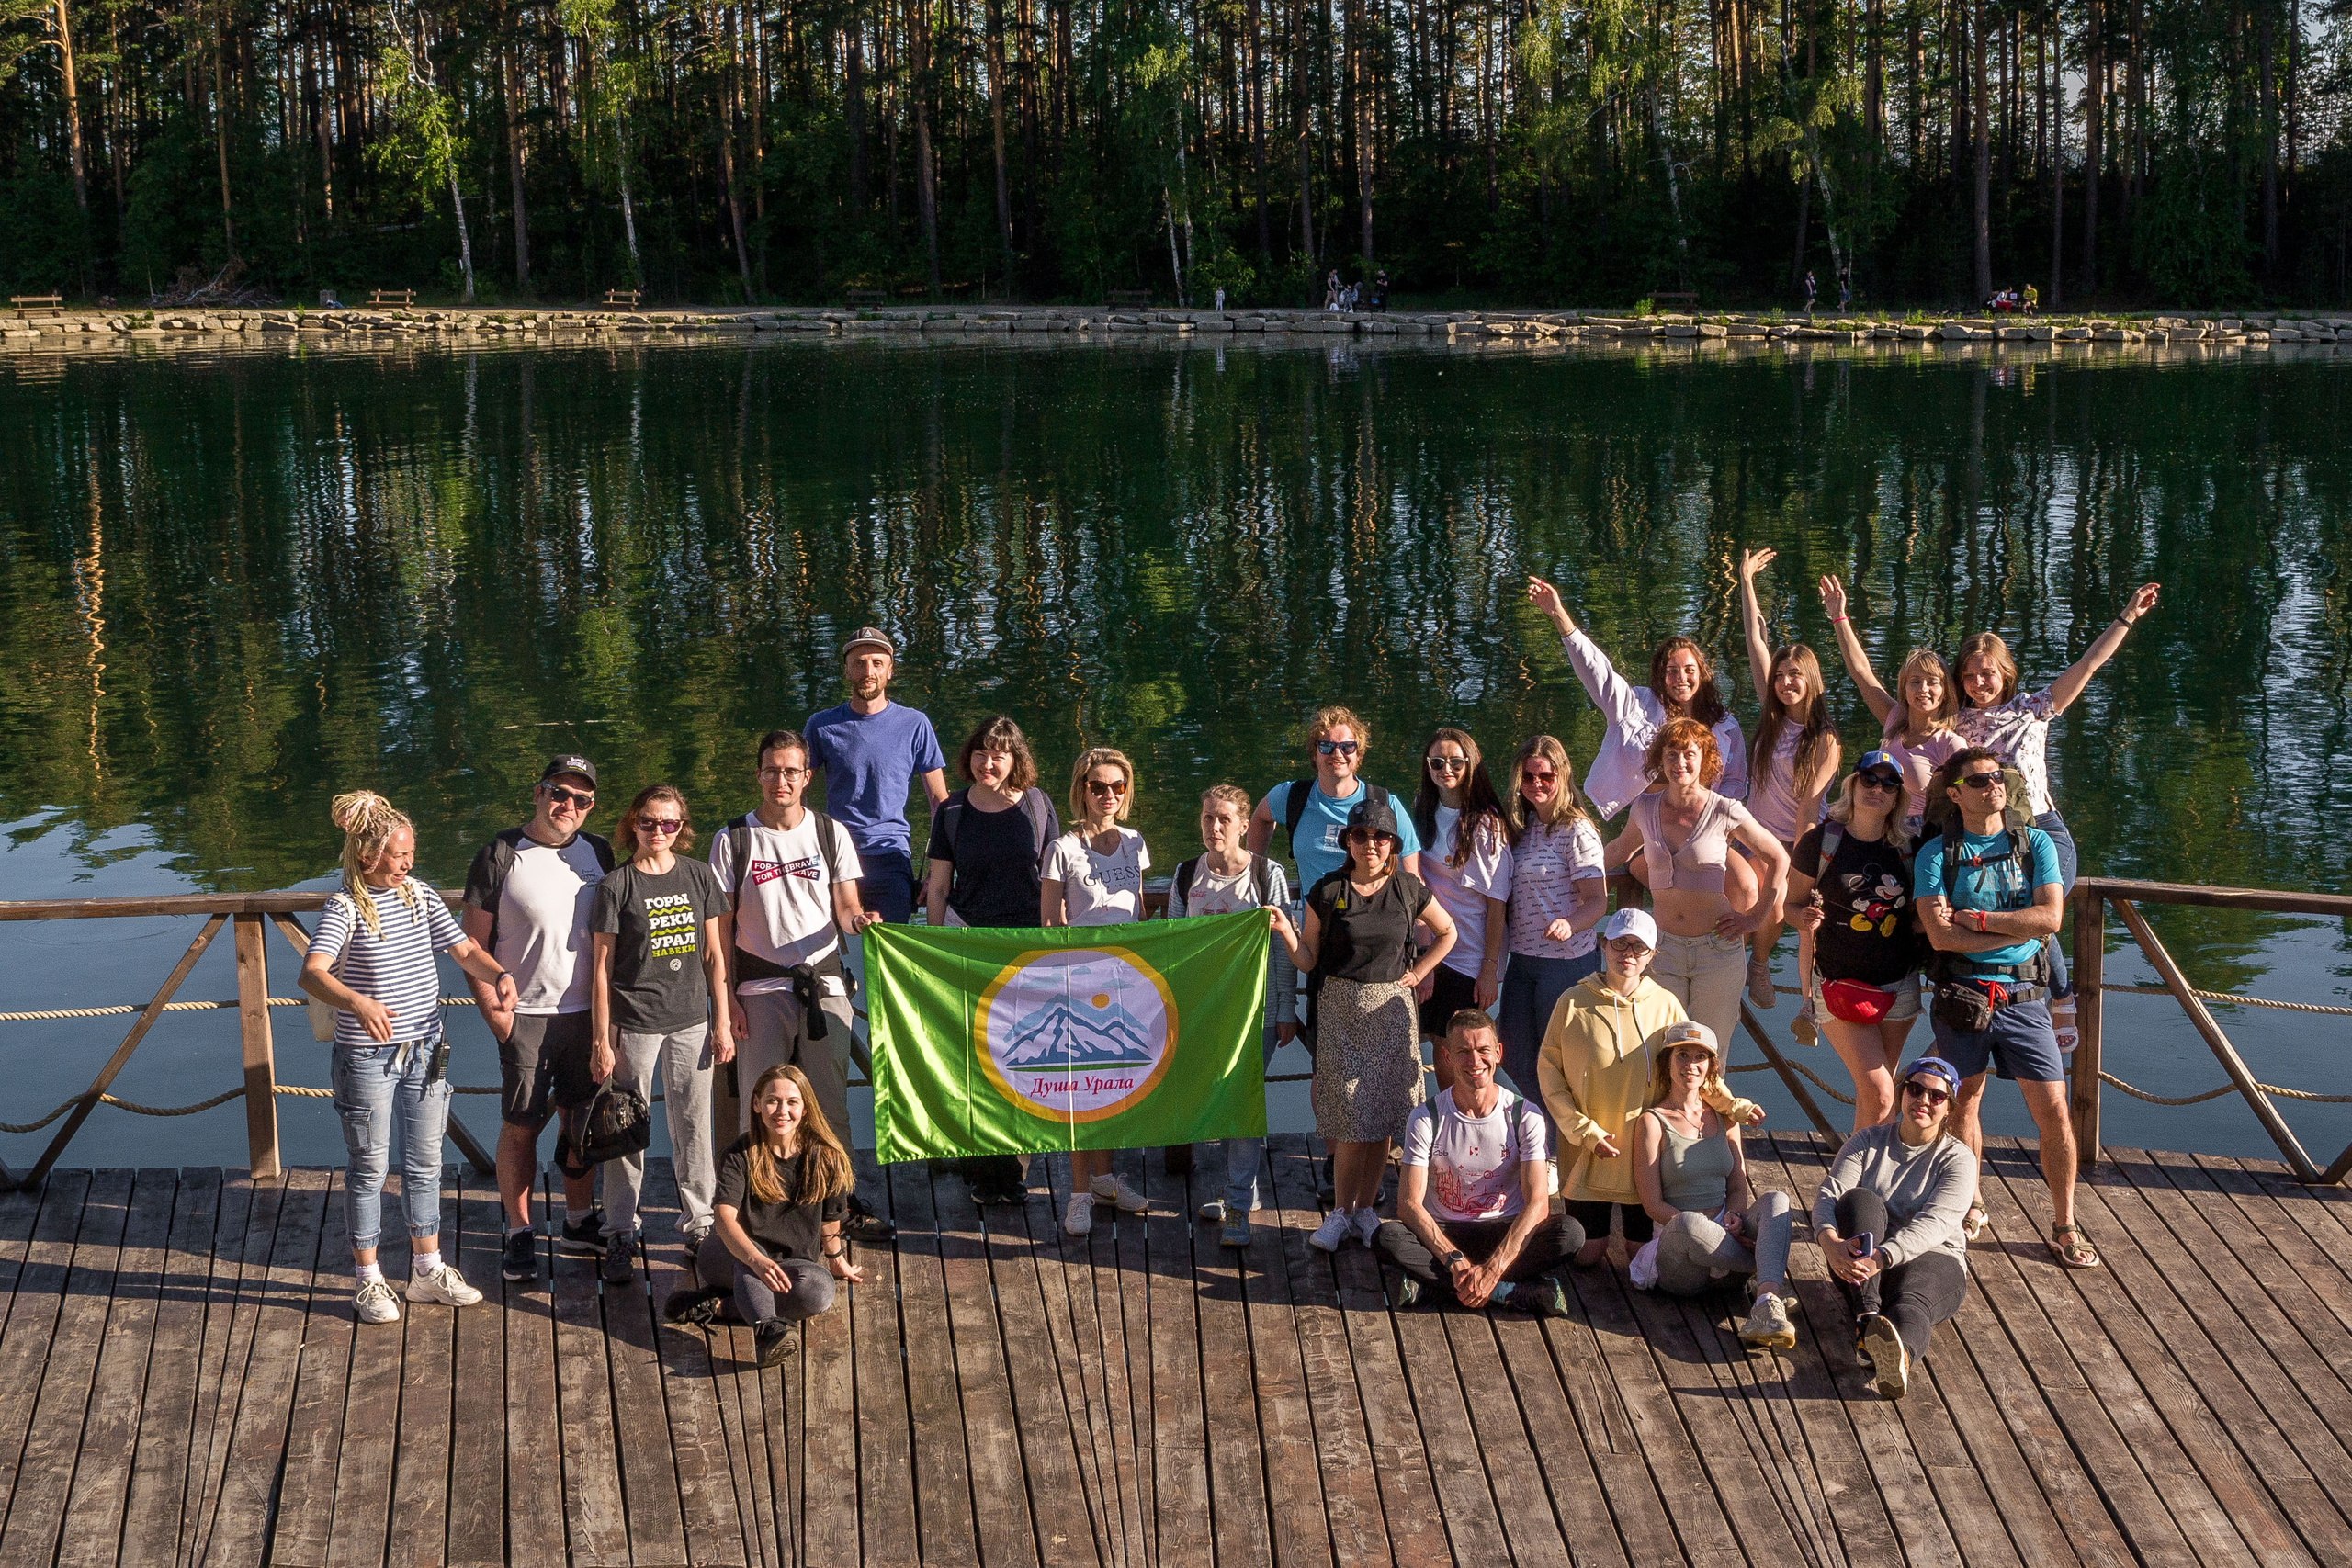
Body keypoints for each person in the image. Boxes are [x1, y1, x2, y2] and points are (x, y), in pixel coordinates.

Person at [304, 792, 508, 1323]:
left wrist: (500, 975)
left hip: (425, 1051)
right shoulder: (344, 906)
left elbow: (462, 949)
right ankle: (369, 1280)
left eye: (410, 853)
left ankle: (426, 1271)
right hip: (368, 1058)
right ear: (368, 854)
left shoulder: (419, 896)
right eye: (398, 855)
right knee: (369, 1169)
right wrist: (357, 1001)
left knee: (425, 1164)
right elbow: (312, 973)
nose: (408, 863)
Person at [1948, 583, 2161, 1051]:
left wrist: (2127, 614)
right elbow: (1886, 702)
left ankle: (2060, 997)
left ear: (2005, 674)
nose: (1979, 683)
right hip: (1991, 839)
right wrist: (1841, 625)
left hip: (2043, 829)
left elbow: (2088, 665)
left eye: (1987, 673)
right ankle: (2049, 995)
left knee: (2046, 913)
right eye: (1969, 676)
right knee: (2017, 917)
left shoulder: (2033, 708)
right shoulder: (1954, 724)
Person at [710, 729, 894, 1244]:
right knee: (760, 1102)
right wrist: (724, 1004)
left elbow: (846, 908)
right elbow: (719, 932)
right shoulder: (733, 839)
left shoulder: (831, 834)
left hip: (823, 983)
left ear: (807, 777)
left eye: (791, 771)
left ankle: (838, 1204)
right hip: (758, 989)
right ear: (759, 776)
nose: (781, 781)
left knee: (828, 1104)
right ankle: (758, 1207)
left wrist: (863, 922)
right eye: (772, 771)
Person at [1914, 749, 2093, 1269]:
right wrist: (2010, 926)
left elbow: (2051, 919)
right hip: (1961, 997)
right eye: (1980, 780)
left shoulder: (2035, 843)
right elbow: (1940, 937)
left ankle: (2064, 1223)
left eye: (1999, 777)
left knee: (2055, 1112)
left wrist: (1980, 922)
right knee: (1963, 1106)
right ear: (1955, 793)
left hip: (2026, 999)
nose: (1994, 785)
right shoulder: (1935, 854)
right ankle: (1971, 1205)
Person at [1272, 795, 1457, 1251]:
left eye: (1379, 836)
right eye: (1360, 835)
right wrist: (1285, 932)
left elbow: (1448, 932)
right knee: (1351, 1116)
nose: (1370, 844)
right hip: (1340, 1008)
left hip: (1392, 1009)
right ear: (1348, 841)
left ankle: (1367, 1209)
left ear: (1393, 843)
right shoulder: (1328, 891)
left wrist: (1421, 970)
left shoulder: (1409, 889)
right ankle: (1340, 1212)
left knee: (1383, 1115)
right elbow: (1308, 958)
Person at [462, 754, 616, 1284]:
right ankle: (520, 1229)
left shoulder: (598, 851)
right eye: (558, 793)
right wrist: (493, 1014)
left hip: (586, 1016)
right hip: (524, 1014)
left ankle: (578, 1218)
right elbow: (471, 946)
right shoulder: (500, 853)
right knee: (522, 1126)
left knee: (583, 1122)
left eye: (581, 799)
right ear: (538, 793)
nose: (567, 806)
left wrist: (608, 1017)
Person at [1538, 908, 1761, 1267]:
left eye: (1639, 947)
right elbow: (1549, 1073)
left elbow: (1695, 1069)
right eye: (1620, 943)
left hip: (1646, 1162)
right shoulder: (1572, 1003)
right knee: (1585, 1256)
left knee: (1639, 1255)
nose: (1628, 953)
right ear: (1604, 945)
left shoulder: (1667, 1005)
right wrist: (1583, 1131)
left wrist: (1733, 1105)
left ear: (1652, 956)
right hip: (1589, 1150)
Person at [588, 784, 730, 1284]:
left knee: (695, 1125)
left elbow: (714, 955)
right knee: (624, 1127)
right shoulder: (616, 885)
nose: (658, 832)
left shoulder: (698, 876)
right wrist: (601, 1039)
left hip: (692, 1020)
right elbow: (601, 967)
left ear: (681, 828)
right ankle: (621, 1230)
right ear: (633, 823)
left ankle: (699, 1222)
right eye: (648, 822)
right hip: (634, 1022)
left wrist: (724, 1021)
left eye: (669, 823)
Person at [924, 716, 1059, 1206]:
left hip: (1026, 950)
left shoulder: (1040, 807)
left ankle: (1014, 1168)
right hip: (969, 946)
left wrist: (1056, 944)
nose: (989, 762)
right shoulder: (952, 811)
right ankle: (982, 1170)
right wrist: (934, 949)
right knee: (976, 1061)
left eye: (1000, 753)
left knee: (1024, 1059)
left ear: (1015, 759)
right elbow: (939, 885)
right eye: (981, 752)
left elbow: (1054, 882)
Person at [1601, 719, 1789, 1053]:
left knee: (1710, 1056)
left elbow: (1778, 858)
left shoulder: (1724, 809)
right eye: (1671, 754)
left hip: (1716, 951)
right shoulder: (1644, 809)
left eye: (1689, 754)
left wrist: (1756, 919)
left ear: (1706, 759)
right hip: (1661, 951)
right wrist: (1570, 877)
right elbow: (1617, 850)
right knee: (1657, 1054)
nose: (1680, 763)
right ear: (1660, 759)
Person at [1374, 1010, 1579, 1315]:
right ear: (1446, 1057)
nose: (1475, 1061)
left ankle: (1437, 1285)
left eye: (1483, 1050)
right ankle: (1512, 1292)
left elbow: (1538, 1203)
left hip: (1504, 1229)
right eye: (1463, 1052)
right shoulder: (1425, 1117)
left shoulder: (1525, 1115)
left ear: (1498, 1053)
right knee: (1386, 1237)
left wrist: (1494, 1267)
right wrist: (1456, 1262)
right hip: (1446, 1233)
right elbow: (1408, 1204)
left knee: (1570, 1233)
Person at [1170, 785, 1293, 1247]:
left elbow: (1283, 945)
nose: (1214, 827)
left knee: (1241, 1104)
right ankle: (1246, 1191)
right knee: (1222, 1102)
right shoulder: (1187, 875)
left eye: (1224, 819)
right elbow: (1178, 948)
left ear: (1245, 824)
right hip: (1207, 1012)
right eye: (1207, 818)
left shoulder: (1266, 874)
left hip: (1256, 1011)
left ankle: (1238, 1206)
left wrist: (1286, 1009)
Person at [1041, 746, 1155, 1236]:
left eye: (1118, 787)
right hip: (1079, 983)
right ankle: (1079, 1193)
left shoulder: (1135, 843)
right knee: (1079, 1088)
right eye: (1098, 786)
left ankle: (1106, 1178)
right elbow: (1049, 923)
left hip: (1125, 981)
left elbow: (1142, 915)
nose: (1108, 795)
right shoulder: (1062, 849)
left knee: (1115, 1084)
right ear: (1081, 791)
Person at [1815, 1055, 1976, 1400]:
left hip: (1932, 1257)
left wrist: (1883, 1257)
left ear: (1949, 1108)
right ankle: (1867, 1319)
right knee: (1860, 1200)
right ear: (1902, 1094)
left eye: (1937, 1096)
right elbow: (1831, 1194)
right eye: (1915, 1090)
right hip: (1864, 1266)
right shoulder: (1866, 1141)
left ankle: (1898, 1358)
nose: (1923, 1101)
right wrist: (1827, 1240)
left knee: (1910, 1304)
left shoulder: (1958, 1159)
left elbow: (1936, 1224)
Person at [1523, 576, 1748, 821]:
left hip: (1707, 822)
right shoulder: (1637, 706)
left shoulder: (1726, 726)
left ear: (1702, 674)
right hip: (1650, 823)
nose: (1681, 678)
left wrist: (1715, 819)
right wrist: (1559, 615)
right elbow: (1599, 675)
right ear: (1659, 677)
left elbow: (1735, 783)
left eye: (1689, 670)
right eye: (1671, 671)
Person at [1630, 1021, 1797, 1350]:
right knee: (1690, 1224)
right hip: (1683, 1256)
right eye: (1682, 1056)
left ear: (1711, 1067)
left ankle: (1765, 1302)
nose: (1690, 1065)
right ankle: (1768, 1270)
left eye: (1699, 1057)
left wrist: (1734, 1215)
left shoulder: (1725, 1118)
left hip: (1728, 1238)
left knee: (1777, 1200)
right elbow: (1652, 1205)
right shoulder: (1652, 1122)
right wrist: (1713, 1231)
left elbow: (1738, 1184)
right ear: (1667, 1062)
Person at [690, 1065, 866, 1369]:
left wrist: (836, 1260)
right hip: (732, 1253)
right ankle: (768, 1330)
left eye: (792, 1102)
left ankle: (724, 1307)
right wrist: (757, 1261)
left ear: (806, 1108)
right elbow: (723, 1218)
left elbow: (830, 1219)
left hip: (791, 1265)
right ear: (756, 1104)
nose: (781, 1111)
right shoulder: (739, 1154)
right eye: (772, 1100)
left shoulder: (827, 1156)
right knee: (752, 1261)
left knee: (820, 1290)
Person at [1788, 753, 1927, 1131]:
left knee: (1876, 1095)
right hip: (1836, 984)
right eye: (1869, 779)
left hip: (1899, 984)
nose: (1877, 789)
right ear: (1852, 784)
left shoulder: (1909, 846)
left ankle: (1862, 1182)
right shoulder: (1821, 841)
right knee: (1881, 1092)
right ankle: (1857, 1181)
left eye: (1889, 783)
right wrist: (1800, 917)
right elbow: (1790, 904)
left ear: (1898, 796)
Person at [1736, 548, 1842, 1014]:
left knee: (1776, 896)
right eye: (1780, 676)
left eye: (1794, 675)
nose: (1784, 682)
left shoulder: (1824, 739)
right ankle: (1719, 957)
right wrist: (1746, 582)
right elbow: (1755, 642)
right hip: (1750, 834)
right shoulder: (1770, 720)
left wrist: (1793, 863)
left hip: (1796, 841)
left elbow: (1808, 809)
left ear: (1811, 680)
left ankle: (1761, 965)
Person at [803, 625, 949, 927]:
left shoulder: (914, 724)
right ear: (846, 670)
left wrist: (938, 869)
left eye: (876, 663)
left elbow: (939, 801)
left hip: (890, 856)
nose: (867, 670)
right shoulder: (821, 726)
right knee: (834, 949)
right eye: (859, 662)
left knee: (887, 937)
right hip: (835, 855)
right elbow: (795, 792)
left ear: (889, 671)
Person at [1496, 735, 1607, 1122]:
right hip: (1523, 958)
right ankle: (1551, 1128)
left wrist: (1569, 923)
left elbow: (1598, 900)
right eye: (1529, 776)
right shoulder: (1520, 826)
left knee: (1560, 1060)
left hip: (1566, 961)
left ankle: (1563, 1142)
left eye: (1546, 775)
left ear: (1562, 775)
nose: (1537, 784)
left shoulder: (1577, 831)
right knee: (1511, 1053)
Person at [1815, 576, 1964, 839]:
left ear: (1945, 691)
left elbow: (1965, 803)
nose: (1923, 690)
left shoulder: (1949, 744)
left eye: (1932, 682)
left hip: (1921, 836)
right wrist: (1839, 616)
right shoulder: (1894, 718)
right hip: (1878, 827)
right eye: (1915, 682)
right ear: (1904, 689)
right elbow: (1861, 672)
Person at [1408, 728, 1513, 1093]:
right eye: (1437, 762)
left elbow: (1496, 905)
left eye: (1456, 761)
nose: (1446, 769)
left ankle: (1474, 1124)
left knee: (1464, 1047)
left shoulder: (1486, 823)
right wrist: (1425, 958)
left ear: (1471, 764)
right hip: (1432, 948)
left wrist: (1489, 969)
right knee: (1440, 1042)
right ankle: (1446, 1122)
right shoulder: (1421, 809)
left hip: (1470, 955)